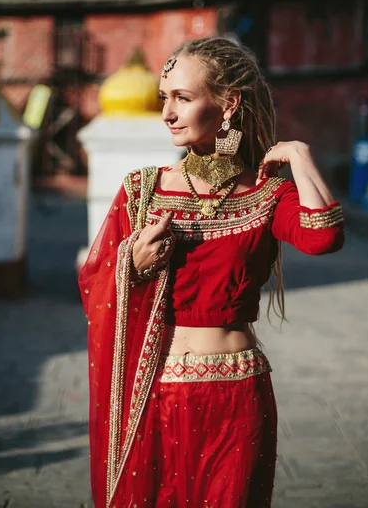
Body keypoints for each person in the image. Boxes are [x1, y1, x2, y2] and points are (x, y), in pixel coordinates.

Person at [79, 37, 344, 508]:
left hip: (239, 393)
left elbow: (323, 237)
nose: (167, 113)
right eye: (165, 98)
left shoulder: (265, 194)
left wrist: (300, 156)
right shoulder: (142, 192)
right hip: (159, 393)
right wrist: (133, 267)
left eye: (183, 97)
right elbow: (94, 282)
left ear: (228, 103)